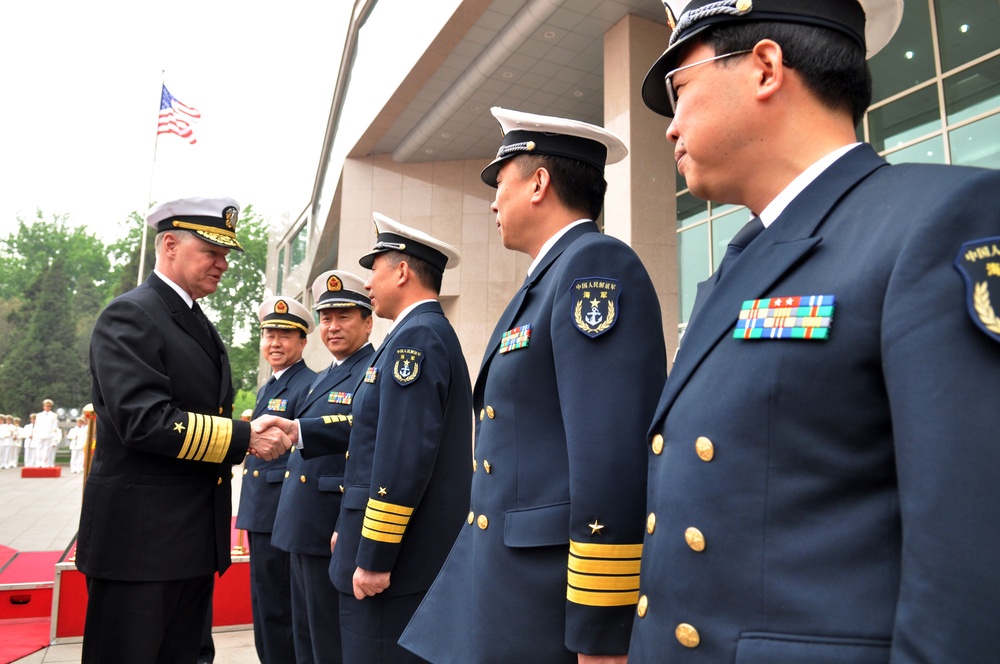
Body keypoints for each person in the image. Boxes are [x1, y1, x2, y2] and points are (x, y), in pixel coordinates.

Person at [626, 1, 1000, 662]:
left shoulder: (939, 220)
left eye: (680, 90)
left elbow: (971, 567)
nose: (670, 127)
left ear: (766, 68)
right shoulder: (739, 266)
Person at [400, 109, 667, 663]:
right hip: (510, 575)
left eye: (501, 184)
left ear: (539, 183)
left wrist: (603, 624)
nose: (494, 204)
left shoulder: (595, 264)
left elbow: (609, 452)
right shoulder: (548, 279)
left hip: (549, 590)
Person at [76, 196, 292, 663]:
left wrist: (243, 429)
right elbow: (144, 420)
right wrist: (244, 437)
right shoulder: (131, 315)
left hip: (185, 542)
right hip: (140, 547)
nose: (223, 264)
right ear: (169, 244)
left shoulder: (191, 319)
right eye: (211, 251)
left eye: (227, 254)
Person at [326, 213, 472, 664]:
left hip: (395, 567)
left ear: (403, 271)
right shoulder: (412, 335)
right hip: (385, 552)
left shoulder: (418, 340)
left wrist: (374, 555)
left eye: (375, 267)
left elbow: (403, 457)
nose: (368, 281)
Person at [263, 270, 375, 664]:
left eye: (344, 316)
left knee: (329, 640)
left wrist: (298, 430)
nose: (333, 327)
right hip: (301, 523)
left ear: (367, 321)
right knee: (305, 636)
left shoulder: (371, 371)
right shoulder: (323, 375)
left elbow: (364, 432)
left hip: (331, 524)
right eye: (326, 318)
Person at [236, 296, 316, 664]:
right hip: (262, 513)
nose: (275, 343)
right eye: (269, 333)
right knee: (265, 605)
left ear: (302, 342)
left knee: (283, 609)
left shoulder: (310, 385)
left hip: (283, 513)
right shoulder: (270, 385)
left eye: (286, 335)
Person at [28, 399, 59, 468]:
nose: (47, 408)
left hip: (48, 434)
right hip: (40, 434)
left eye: (49, 406)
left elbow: (54, 426)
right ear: (43, 407)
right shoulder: (39, 415)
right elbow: (36, 426)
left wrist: (53, 436)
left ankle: (44, 463)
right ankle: (38, 462)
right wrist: (34, 434)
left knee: (46, 449)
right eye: (46, 406)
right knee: (39, 448)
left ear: (51, 407)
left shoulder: (53, 415)